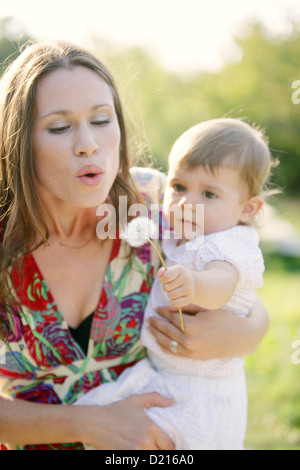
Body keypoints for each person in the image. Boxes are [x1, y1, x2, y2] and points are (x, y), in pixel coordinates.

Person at [0, 41, 269, 451]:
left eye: (102, 120)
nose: (88, 143)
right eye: (59, 127)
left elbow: (237, 262)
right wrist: (88, 425)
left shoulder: (155, 199)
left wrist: (251, 331)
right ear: (18, 143)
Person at [75, 118, 277, 450]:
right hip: (165, 377)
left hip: (203, 392)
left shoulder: (230, 243)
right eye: (179, 187)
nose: (185, 203)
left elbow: (224, 281)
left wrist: (196, 285)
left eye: (209, 193)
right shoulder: (181, 232)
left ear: (247, 208)